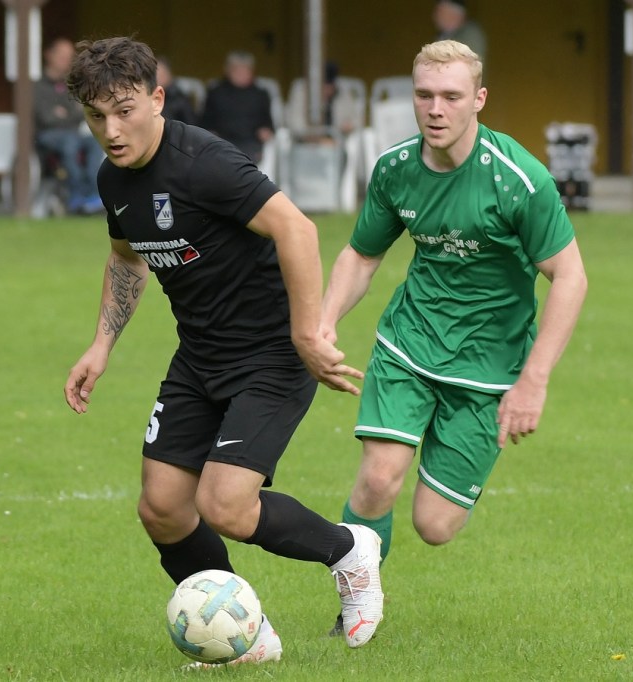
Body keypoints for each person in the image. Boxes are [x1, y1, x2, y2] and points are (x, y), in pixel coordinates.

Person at [62, 36, 384, 664]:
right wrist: (101, 345)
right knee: (162, 508)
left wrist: (306, 333)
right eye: (97, 116)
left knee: (226, 505)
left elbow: (297, 228)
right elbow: (126, 258)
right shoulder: (111, 177)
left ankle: (349, 551)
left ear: (157, 98)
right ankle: (245, 637)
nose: (112, 130)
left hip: (270, 354)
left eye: (125, 111)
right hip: (200, 356)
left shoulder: (203, 162)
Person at [321, 40, 587, 634]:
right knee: (378, 478)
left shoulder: (519, 180)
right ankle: (354, 604)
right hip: (410, 342)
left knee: (435, 525)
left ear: (479, 99)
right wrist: (324, 322)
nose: (436, 109)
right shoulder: (395, 169)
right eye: (424, 95)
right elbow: (362, 256)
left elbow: (570, 277)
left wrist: (534, 381)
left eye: (451, 96)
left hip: (490, 367)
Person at [34, 37, 105, 215]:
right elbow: (46, 119)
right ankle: (75, 196)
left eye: (69, 56)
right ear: (49, 55)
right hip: (46, 137)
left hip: (73, 134)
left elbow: (82, 113)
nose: (66, 60)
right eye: (62, 55)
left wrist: (64, 114)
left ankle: (93, 195)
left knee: (95, 141)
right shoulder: (37, 86)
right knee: (70, 142)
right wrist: (70, 114)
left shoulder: (71, 85)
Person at [199, 50, 274, 163]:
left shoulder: (260, 94)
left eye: (245, 70)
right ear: (228, 70)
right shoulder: (216, 92)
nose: (241, 74)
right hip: (221, 141)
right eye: (237, 70)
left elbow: (267, 123)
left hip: (250, 142)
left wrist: (266, 131)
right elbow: (205, 121)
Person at [156, 56, 197, 125]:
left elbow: (191, 124)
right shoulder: (150, 97)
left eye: (161, 75)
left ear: (169, 75)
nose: (157, 79)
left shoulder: (180, 99)